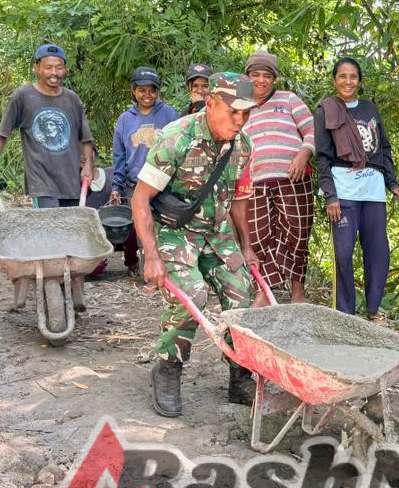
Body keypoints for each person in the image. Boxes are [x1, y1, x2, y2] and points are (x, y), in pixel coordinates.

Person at [130, 72, 262, 417]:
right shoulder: (176, 138)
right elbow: (140, 200)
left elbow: (238, 201)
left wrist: (247, 248)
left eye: (246, 113)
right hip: (173, 232)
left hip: (216, 232)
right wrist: (151, 256)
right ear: (211, 103)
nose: (240, 120)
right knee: (192, 296)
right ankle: (167, 368)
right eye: (233, 112)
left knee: (241, 292)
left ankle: (240, 374)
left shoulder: (243, 146)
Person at [314, 57, 399, 319]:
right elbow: (322, 157)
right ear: (334, 79)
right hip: (343, 192)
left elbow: (384, 148)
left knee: (377, 252)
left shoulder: (370, 108)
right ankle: (345, 315)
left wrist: (393, 184)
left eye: (353, 77)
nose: (348, 82)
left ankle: (373, 310)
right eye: (342, 76)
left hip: (373, 191)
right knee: (343, 253)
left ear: (359, 80)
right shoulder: (326, 110)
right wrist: (330, 196)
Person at [241, 50, 316, 303]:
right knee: (259, 237)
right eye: (255, 75)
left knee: (297, 235)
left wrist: (303, 154)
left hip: (293, 179)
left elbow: (312, 130)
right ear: (247, 76)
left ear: (274, 79)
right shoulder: (241, 105)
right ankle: (264, 291)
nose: (261, 80)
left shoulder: (289, 99)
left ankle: (298, 292)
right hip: (254, 183)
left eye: (267, 76)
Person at [0, 43, 94, 207]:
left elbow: (85, 138)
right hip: (41, 183)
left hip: (71, 182)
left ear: (65, 69)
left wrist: (88, 165)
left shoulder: (72, 99)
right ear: (37, 68)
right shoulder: (23, 96)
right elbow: (2, 134)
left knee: (71, 223)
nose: (54, 72)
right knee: (48, 222)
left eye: (59, 67)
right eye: (48, 67)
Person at [110, 67, 181, 274]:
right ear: (134, 91)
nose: (147, 95)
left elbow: (179, 148)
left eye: (152, 90)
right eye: (142, 90)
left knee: (165, 229)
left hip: (165, 184)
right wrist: (116, 186)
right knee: (142, 231)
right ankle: (148, 274)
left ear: (158, 91)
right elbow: (119, 157)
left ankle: (171, 273)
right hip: (135, 184)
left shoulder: (169, 114)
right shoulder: (125, 120)